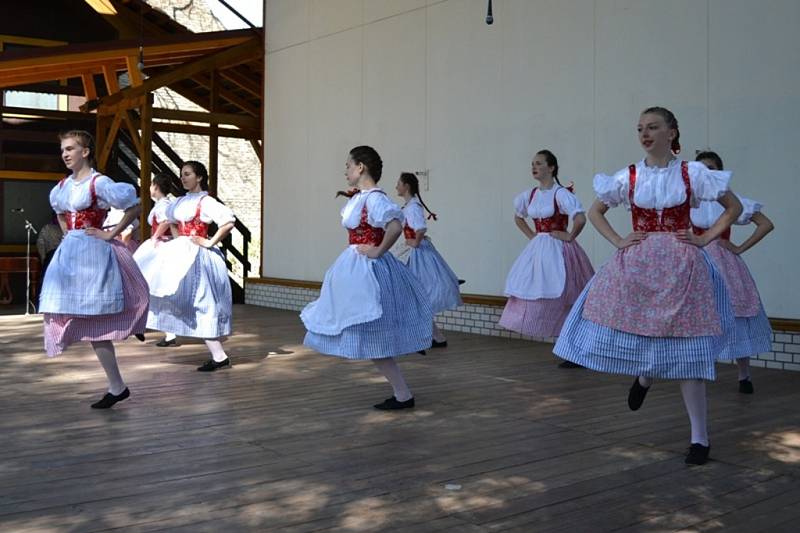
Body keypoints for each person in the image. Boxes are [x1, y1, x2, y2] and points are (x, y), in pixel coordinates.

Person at [553, 107, 743, 465]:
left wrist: (705, 240)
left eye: (653, 127)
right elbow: (595, 212)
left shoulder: (693, 173)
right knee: (643, 333)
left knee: (691, 352)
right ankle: (645, 376)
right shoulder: (628, 176)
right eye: (640, 128)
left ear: (672, 133)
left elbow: (731, 207)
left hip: (682, 265)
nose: (645, 133)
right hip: (638, 266)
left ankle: (699, 438)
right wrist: (618, 240)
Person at [301, 146, 433, 410]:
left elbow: (395, 225)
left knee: (372, 332)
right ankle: (403, 394)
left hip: (368, 269)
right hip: (355, 266)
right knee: (367, 333)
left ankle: (403, 394)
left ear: (361, 167)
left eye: (348, 165)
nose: (345, 170)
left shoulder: (375, 198)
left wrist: (376, 250)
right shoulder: (362, 198)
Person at [39, 130, 149, 409]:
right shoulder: (62, 187)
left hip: (93, 253)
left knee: (95, 320)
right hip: (72, 252)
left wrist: (110, 235)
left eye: (71, 148)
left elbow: (134, 207)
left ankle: (117, 385)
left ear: (85, 151)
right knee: (78, 317)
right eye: (63, 149)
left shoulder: (99, 183)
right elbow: (62, 214)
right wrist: (67, 235)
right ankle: (116, 385)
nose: (65, 154)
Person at [499, 150, 594, 368]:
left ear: (551, 167)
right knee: (543, 291)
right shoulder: (529, 195)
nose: (534, 167)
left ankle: (575, 350)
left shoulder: (560, 194)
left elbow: (580, 217)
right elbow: (518, 216)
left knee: (566, 294)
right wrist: (533, 236)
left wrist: (569, 235)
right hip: (539, 247)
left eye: (539, 163)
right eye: (532, 163)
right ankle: (569, 349)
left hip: (559, 249)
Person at [692, 151, 774, 393]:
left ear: (720, 171)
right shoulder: (688, 200)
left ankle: (744, 375)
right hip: (696, 261)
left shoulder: (732, 199)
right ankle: (700, 368)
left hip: (724, 262)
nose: (706, 172)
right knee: (699, 314)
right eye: (701, 168)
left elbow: (766, 224)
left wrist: (738, 248)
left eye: (711, 168)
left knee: (735, 314)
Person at [145, 161, 236, 371]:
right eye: (182, 174)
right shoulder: (179, 202)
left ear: (199, 177)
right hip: (183, 252)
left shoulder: (206, 201)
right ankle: (217, 354)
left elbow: (228, 221)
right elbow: (172, 222)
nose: (183, 178)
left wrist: (210, 242)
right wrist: (176, 242)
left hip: (199, 257)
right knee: (170, 293)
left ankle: (219, 355)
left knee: (202, 302)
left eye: (187, 174)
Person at [394, 171, 462, 348]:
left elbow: (421, 228)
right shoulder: (410, 205)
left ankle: (433, 337)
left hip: (417, 255)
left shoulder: (413, 207)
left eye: (399, 183)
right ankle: (434, 336)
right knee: (413, 296)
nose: (396, 187)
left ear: (406, 186)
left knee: (416, 295)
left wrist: (414, 242)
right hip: (412, 252)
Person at [133, 172, 181, 347]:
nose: (149, 188)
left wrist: (155, 237)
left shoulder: (164, 205)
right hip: (161, 245)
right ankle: (161, 330)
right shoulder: (162, 204)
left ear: (156, 186)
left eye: (151, 185)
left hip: (162, 247)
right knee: (151, 286)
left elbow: (166, 221)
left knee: (152, 286)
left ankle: (143, 324)